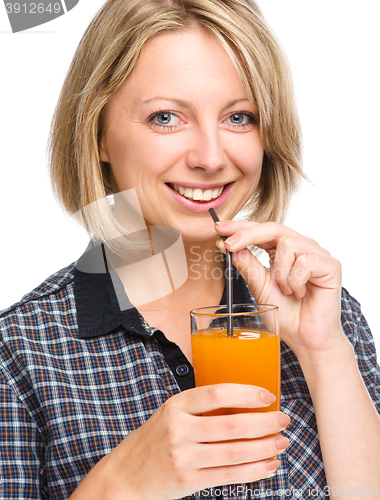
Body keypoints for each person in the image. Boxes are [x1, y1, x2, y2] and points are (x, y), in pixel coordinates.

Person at [0, 0, 379, 498]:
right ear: (98, 136)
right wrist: (116, 486)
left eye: (239, 117)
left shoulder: (323, 314)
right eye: (165, 117)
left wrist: (322, 351)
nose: (210, 156)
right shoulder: (19, 354)